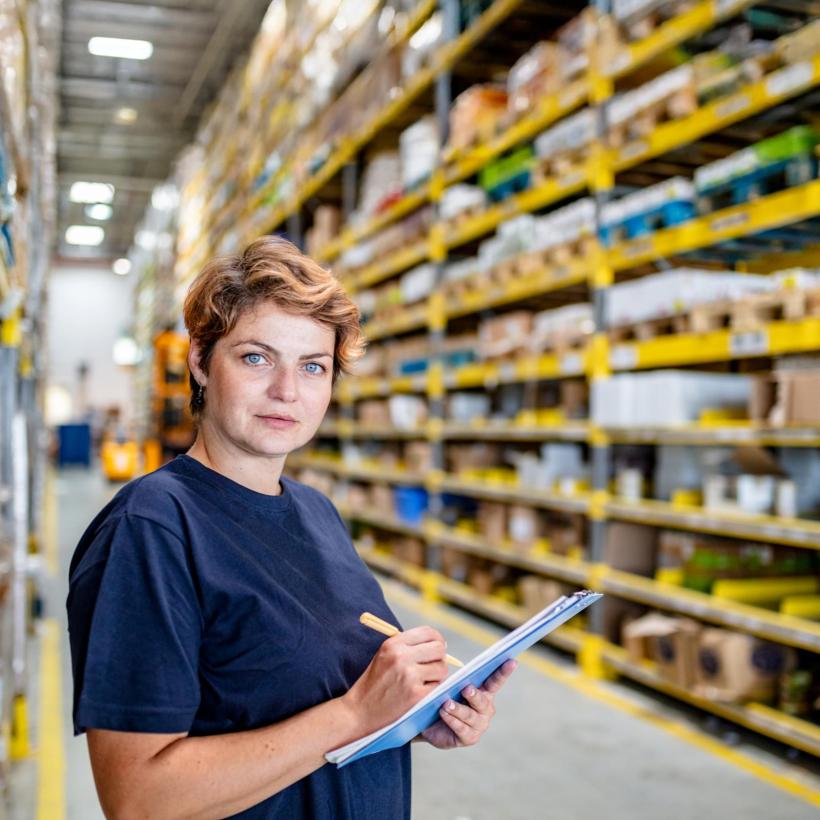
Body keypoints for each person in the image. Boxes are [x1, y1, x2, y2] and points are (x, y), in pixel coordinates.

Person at [67, 236, 517, 819]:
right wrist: (355, 713)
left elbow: (322, 696)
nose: (288, 392)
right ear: (200, 361)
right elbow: (139, 800)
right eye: (257, 358)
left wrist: (413, 717)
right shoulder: (152, 528)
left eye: (313, 367)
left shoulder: (314, 511)